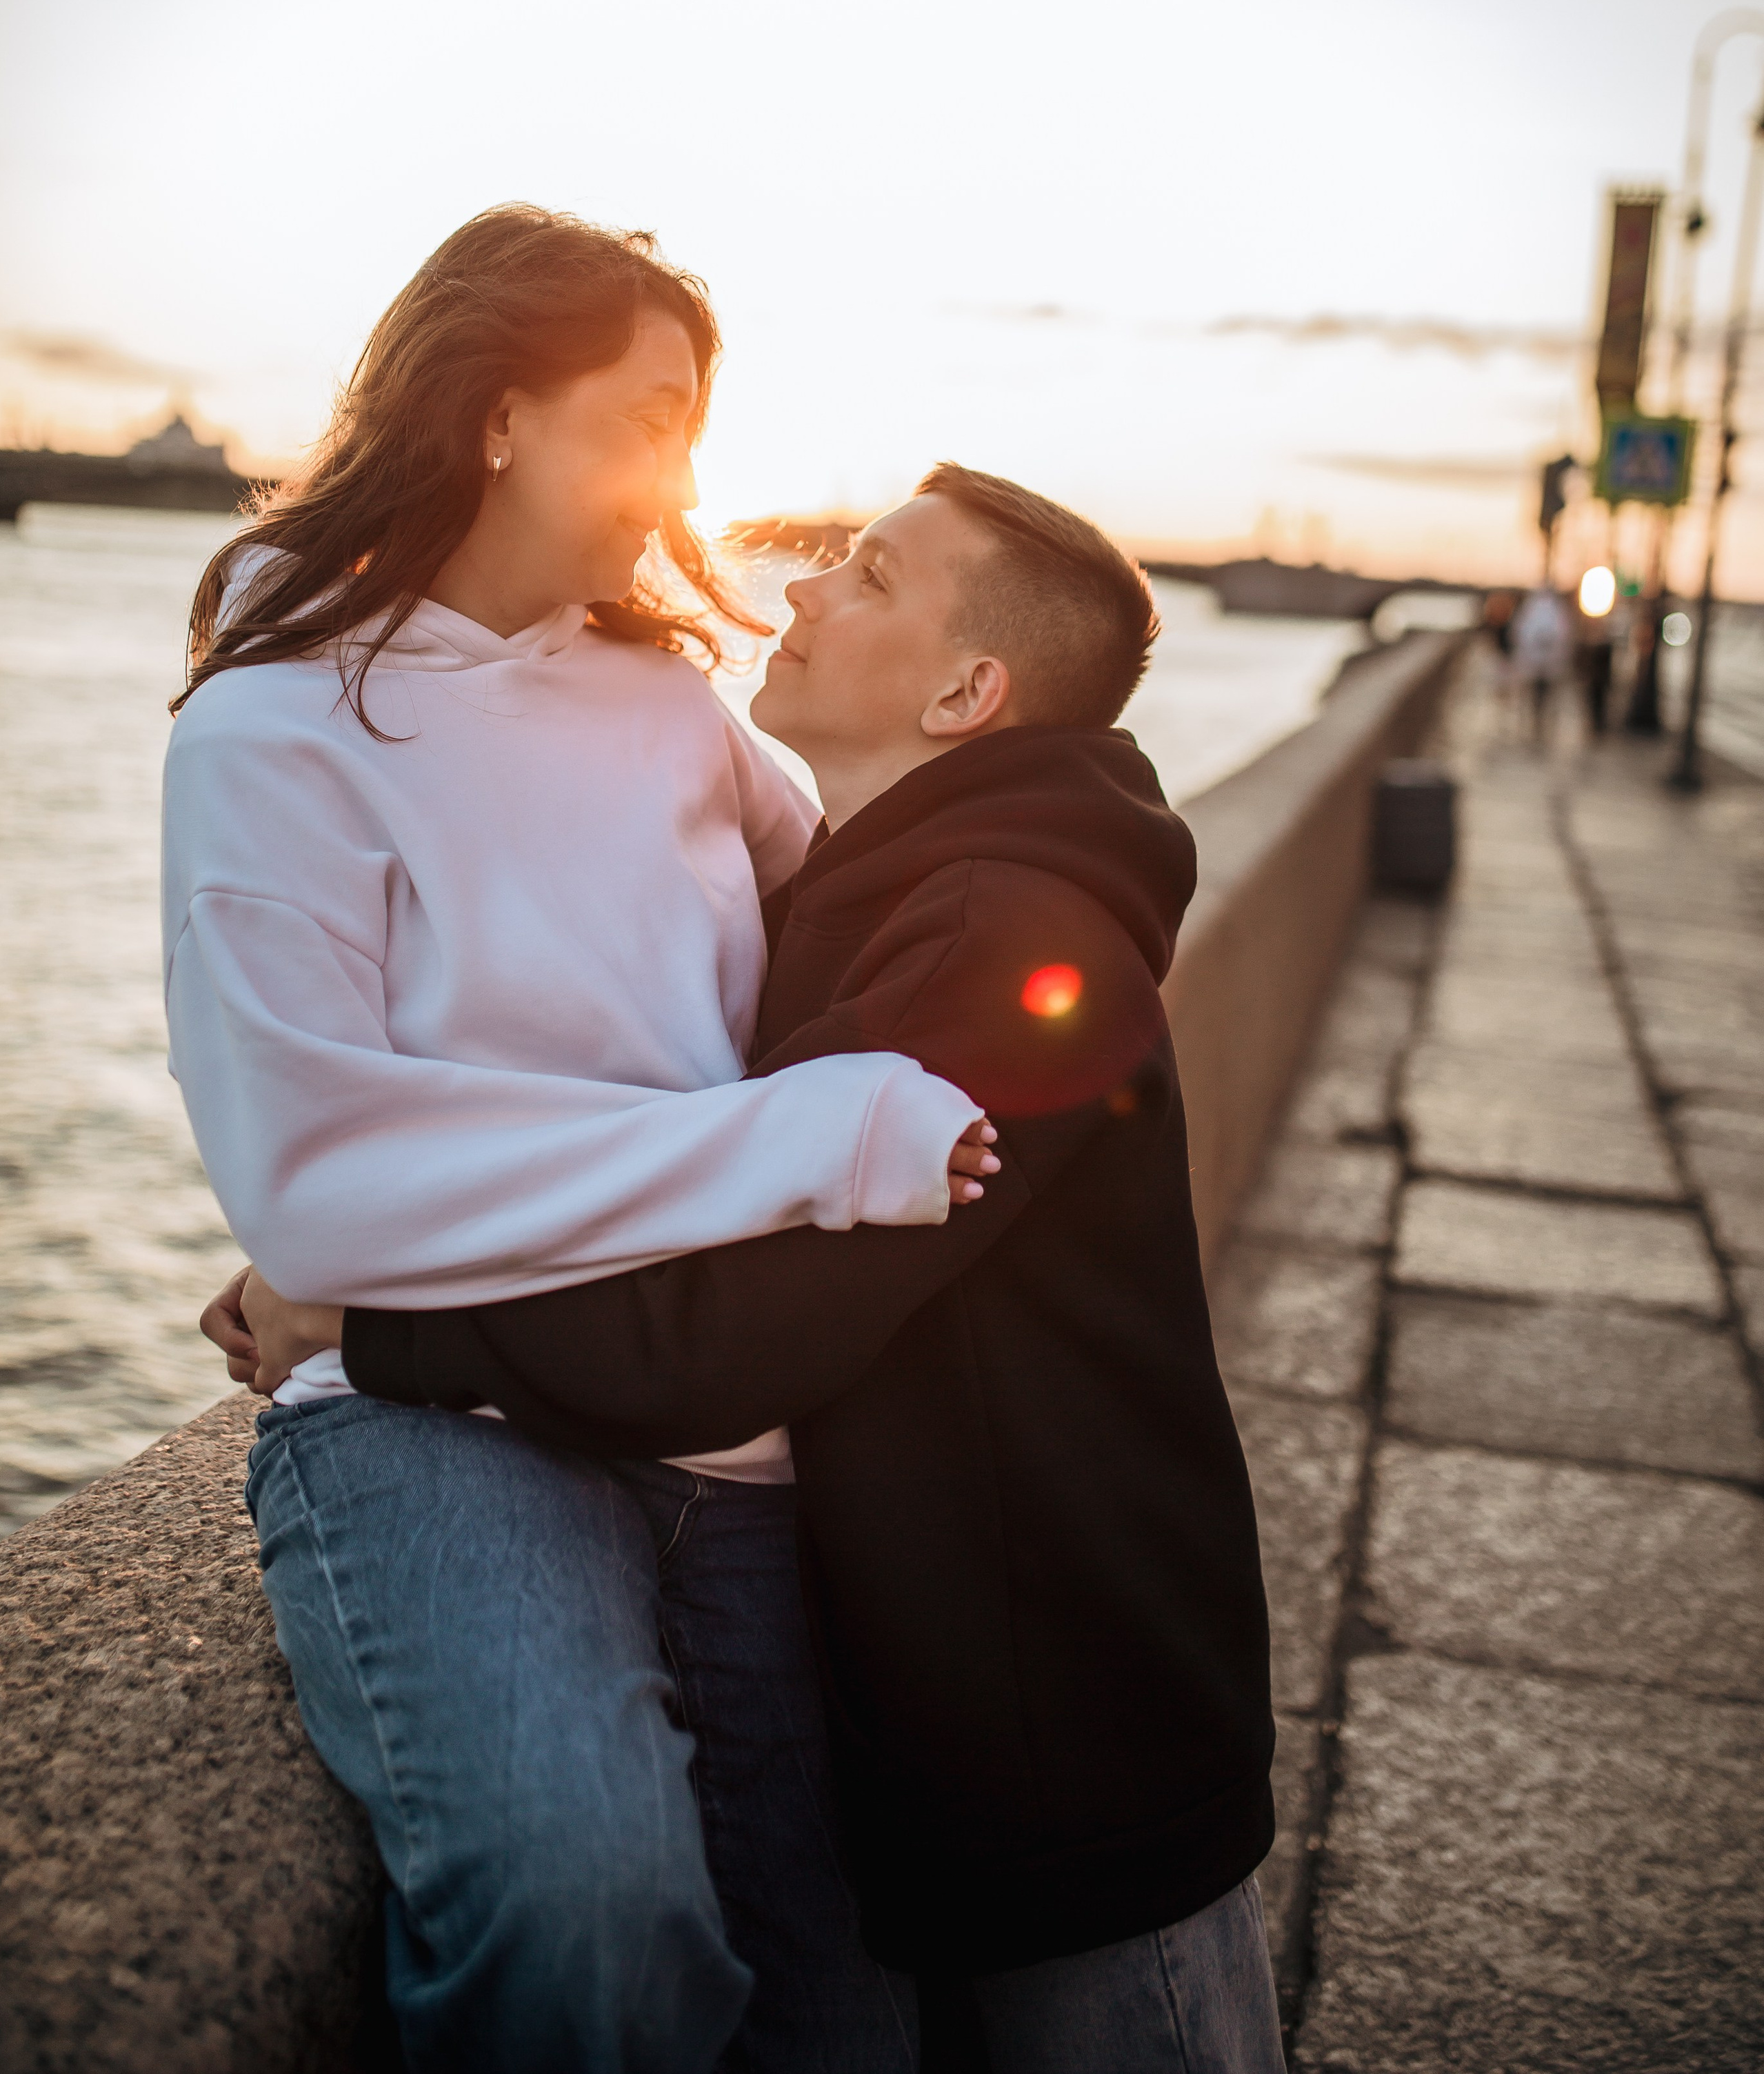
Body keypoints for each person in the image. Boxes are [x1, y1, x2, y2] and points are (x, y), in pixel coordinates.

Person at [231, 465, 1283, 2073]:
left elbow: (729, 1320)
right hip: (952, 1706)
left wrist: (371, 1324)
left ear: (963, 693)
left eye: (869, 577)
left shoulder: (1007, 937)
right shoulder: (868, 882)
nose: (801, 590)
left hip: (1067, 1753)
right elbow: (649, 1155)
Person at [172, 203, 994, 2074]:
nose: (681, 480)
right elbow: (315, 1188)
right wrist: (798, 1143)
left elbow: (862, 901)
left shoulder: (669, 698)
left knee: (852, 2022)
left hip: (724, 1408)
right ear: (495, 416)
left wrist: (1065, 852)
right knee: (591, 1920)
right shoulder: (271, 727)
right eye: (647, 419)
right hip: (433, 1426)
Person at [1508, 582, 1574, 745]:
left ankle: (1541, 726)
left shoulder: (1549, 610)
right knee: (1534, 698)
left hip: (1547, 664)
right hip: (1536, 663)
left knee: (1545, 698)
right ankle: (1534, 726)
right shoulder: (1538, 609)